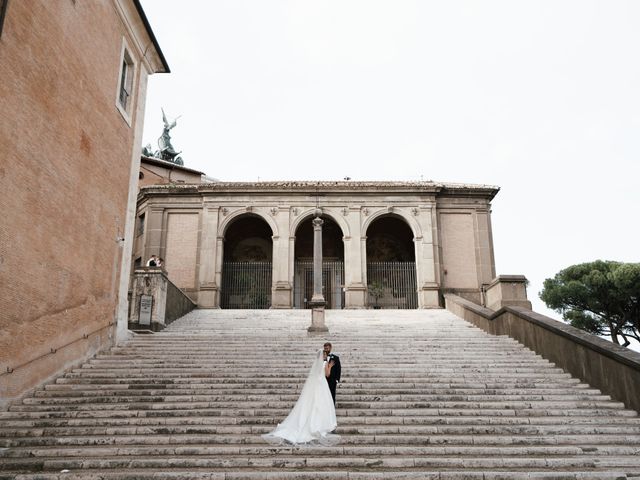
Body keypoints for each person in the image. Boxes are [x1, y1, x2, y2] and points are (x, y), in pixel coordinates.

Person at [262, 349, 339, 445]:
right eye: (324, 354)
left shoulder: (315, 364)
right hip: (322, 385)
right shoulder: (324, 363)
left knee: (314, 404)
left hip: (315, 385)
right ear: (322, 356)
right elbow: (327, 374)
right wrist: (330, 366)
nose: (325, 355)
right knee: (322, 404)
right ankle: (321, 425)